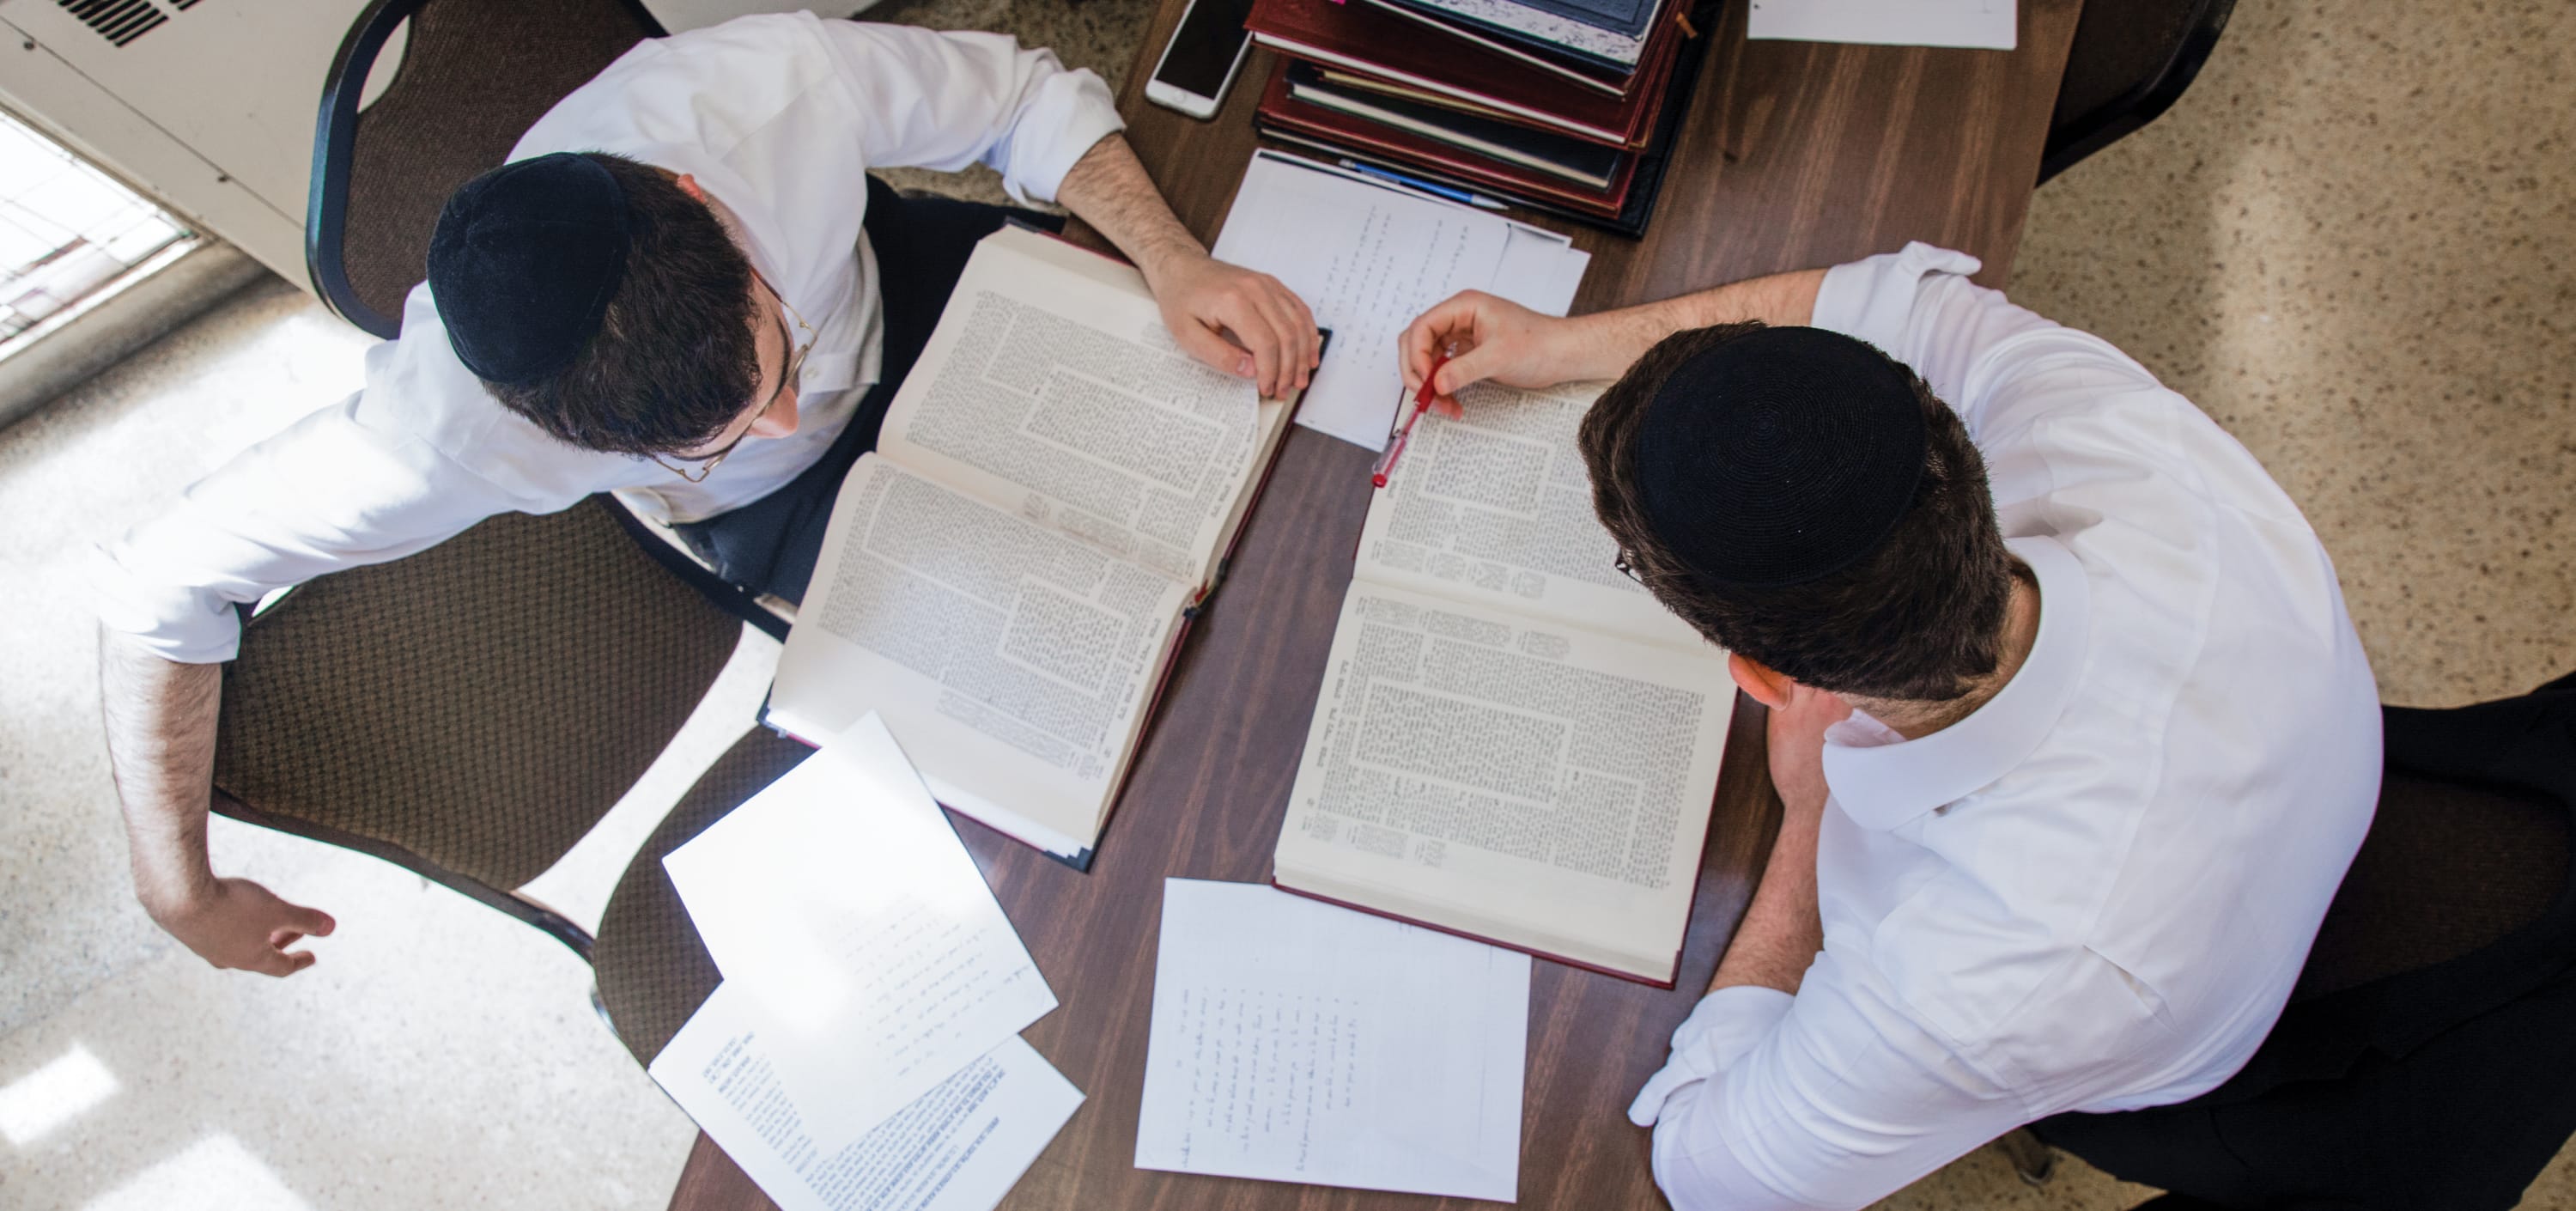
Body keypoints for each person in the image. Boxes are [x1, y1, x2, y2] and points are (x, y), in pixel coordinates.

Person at [93, 13, 1317, 980]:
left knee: (1273, 477)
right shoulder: (435, 436)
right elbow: (161, 583)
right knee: (1090, 753)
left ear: (703, 197)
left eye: (776, 362)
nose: (787, 417)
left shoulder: (765, 89)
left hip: (918, 292)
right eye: (712, 437)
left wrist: (1174, 259)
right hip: (792, 517)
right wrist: (178, 887)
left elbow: (1023, 97)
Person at [1398, 242, 2381, 1210]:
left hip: (2187, 1030)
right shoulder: (2121, 436)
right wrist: (1564, 346)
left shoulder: (1974, 981)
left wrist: (1811, 817)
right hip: (2304, 757)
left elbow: (1710, 1172)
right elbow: (1889, 305)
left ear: (1766, 678)